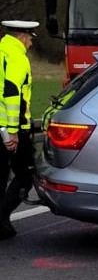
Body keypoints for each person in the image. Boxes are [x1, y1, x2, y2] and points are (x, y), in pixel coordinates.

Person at [1, 20, 38, 240]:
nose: (31, 43)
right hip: (13, 128)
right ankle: (1, 219)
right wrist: (13, 132)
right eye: (31, 38)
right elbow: (12, 93)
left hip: (2, 124)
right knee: (25, 175)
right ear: (21, 36)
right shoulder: (16, 57)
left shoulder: (1, 51)